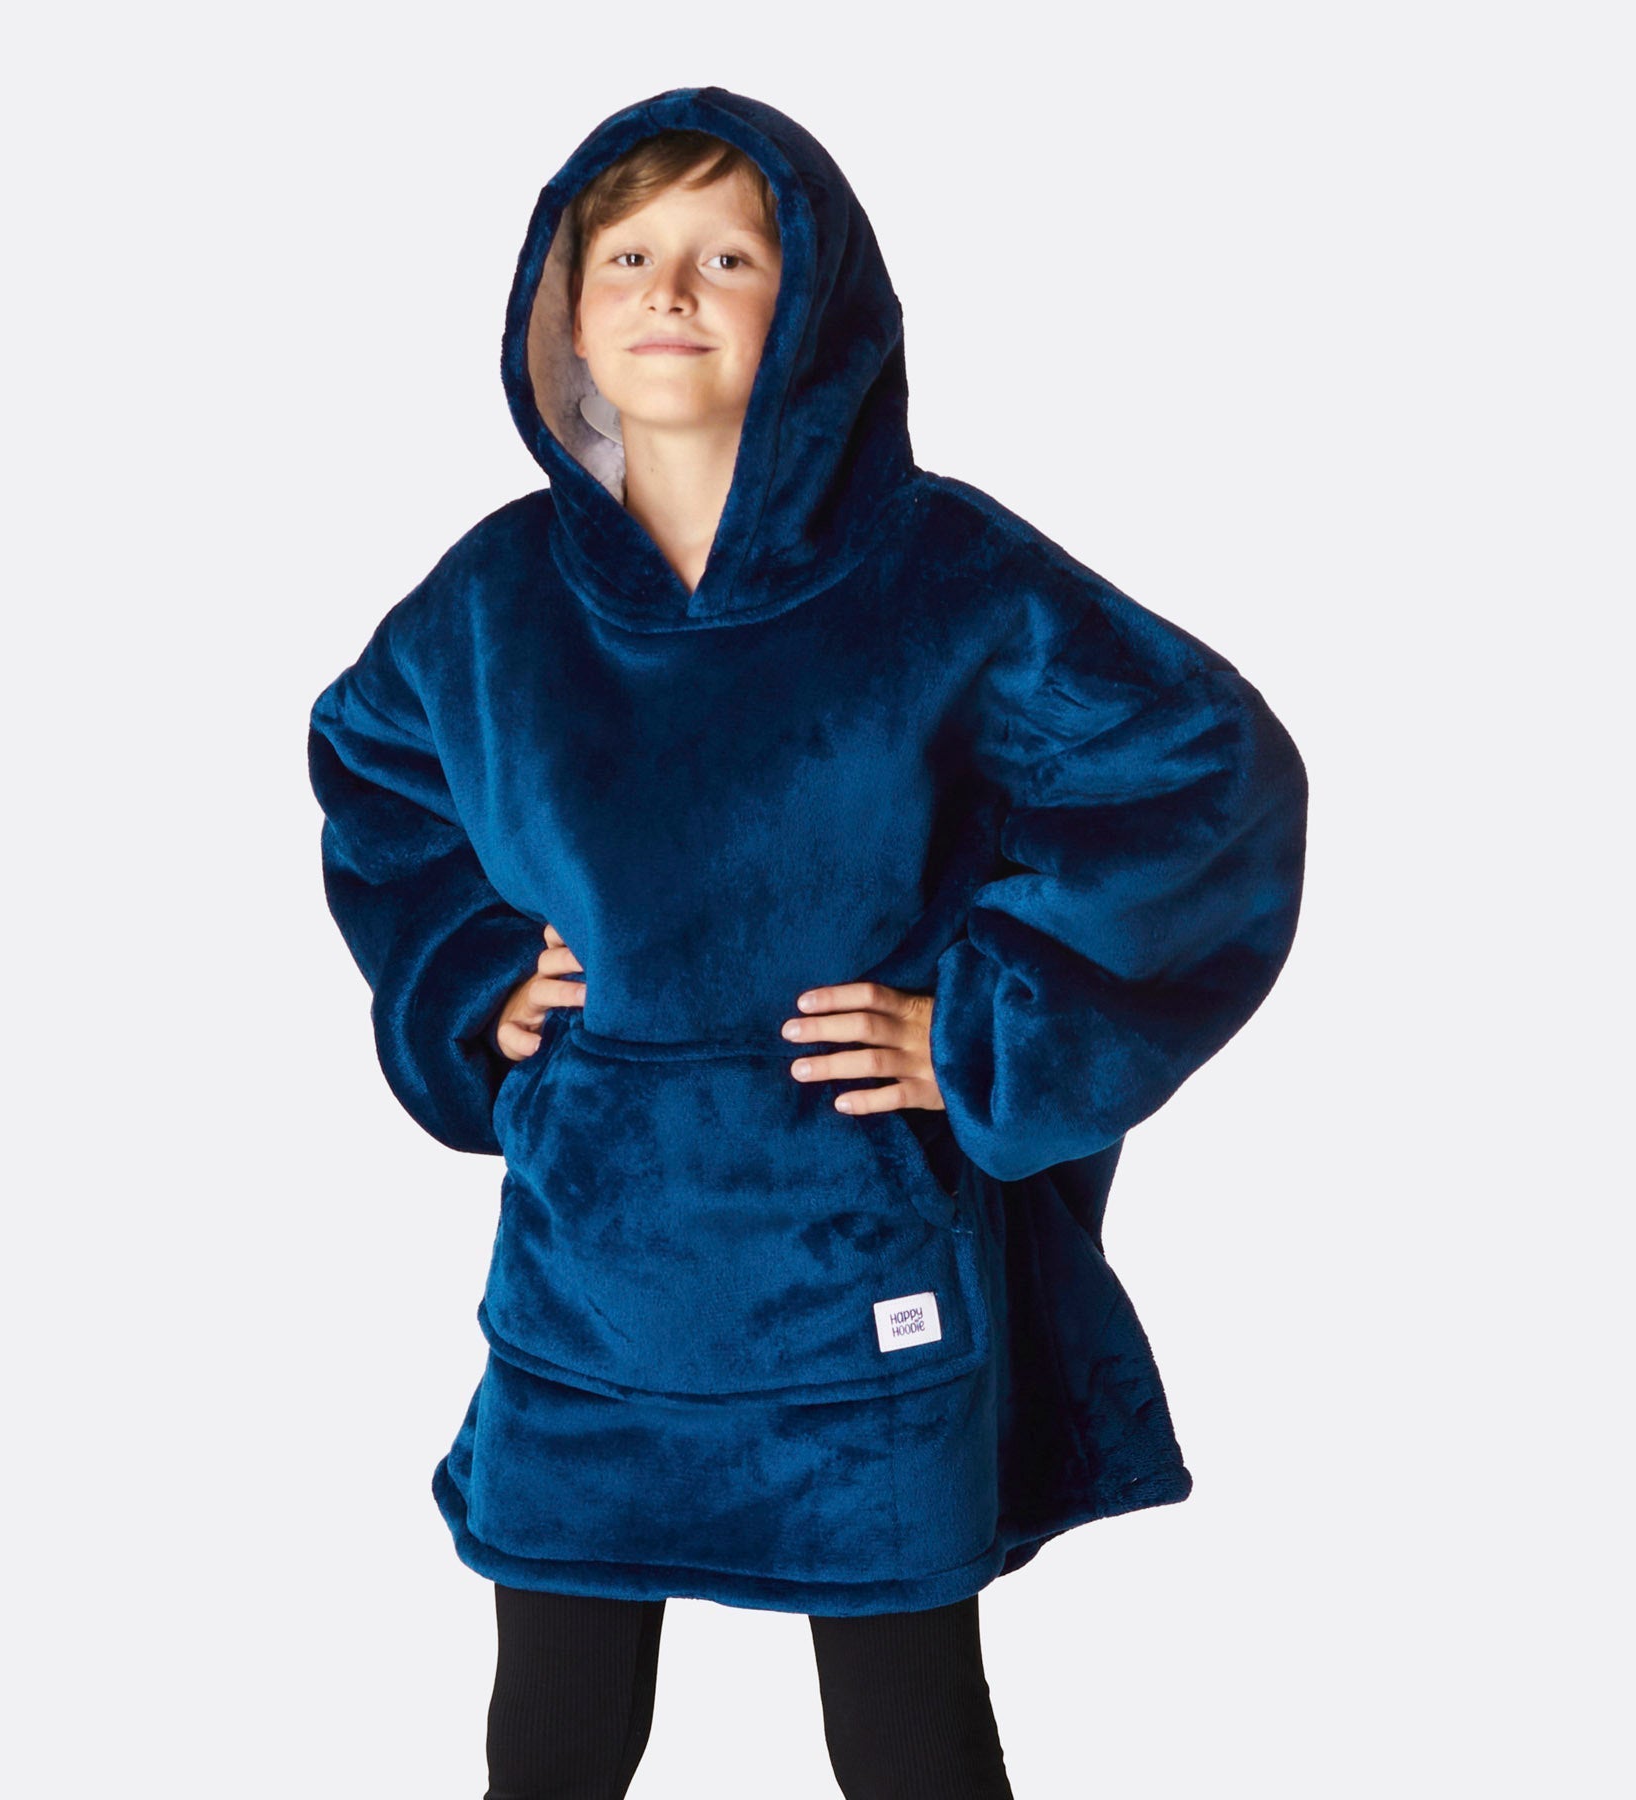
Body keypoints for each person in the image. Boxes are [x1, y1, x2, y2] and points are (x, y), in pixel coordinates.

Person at [307, 86, 1309, 1800]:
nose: (669, 291)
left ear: (817, 304)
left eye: (728, 257)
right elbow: (373, 764)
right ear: (562, 314)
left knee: (909, 1729)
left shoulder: (944, 575)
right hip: (592, 1262)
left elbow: (1203, 774)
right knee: (553, 1731)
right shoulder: (493, 601)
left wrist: (985, 1024)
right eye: (626, 257)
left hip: (855, 1257)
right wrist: (471, 978)